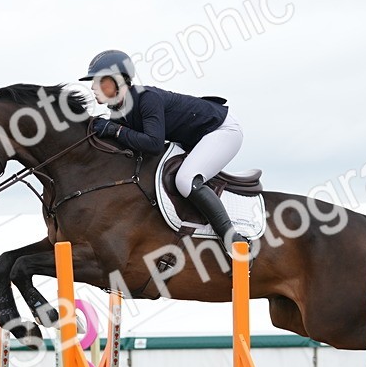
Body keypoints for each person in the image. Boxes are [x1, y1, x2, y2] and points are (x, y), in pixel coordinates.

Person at [80, 49, 246, 245]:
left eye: (98, 80)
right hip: (195, 139)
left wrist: (115, 131)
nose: (92, 87)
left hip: (222, 131)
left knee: (185, 179)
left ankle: (232, 239)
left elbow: (153, 144)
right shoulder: (119, 112)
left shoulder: (147, 98)